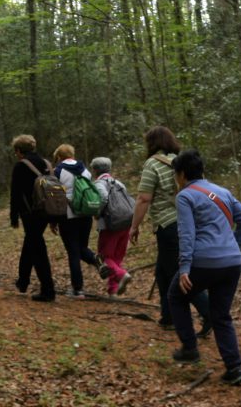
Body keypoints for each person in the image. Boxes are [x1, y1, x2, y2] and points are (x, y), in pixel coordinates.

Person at [167, 150, 241, 386]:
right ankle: (234, 368)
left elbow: (187, 233)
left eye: (176, 174)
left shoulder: (185, 196)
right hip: (232, 262)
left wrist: (184, 267)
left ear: (182, 174)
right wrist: (237, 243)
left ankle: (190, 349)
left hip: (203, 261)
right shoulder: (222, 192)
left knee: (176, 295)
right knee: (221, 315)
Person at [128, 126, 212, 333]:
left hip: (168, 225)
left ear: (151, 143)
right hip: (189, 222)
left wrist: (134, 226)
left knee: (178, 273)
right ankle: (168, 316)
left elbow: (144, 198)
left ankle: (209, 313)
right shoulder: (183, 161)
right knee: (163, 272)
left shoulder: (152, 164)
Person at [10, 134, 56, 302]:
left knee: (37, 249)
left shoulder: (21, 166)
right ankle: (23, 281)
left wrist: (13, 216)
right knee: (31, 243)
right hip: (47, 212)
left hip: (30, 213)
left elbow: (15, 193)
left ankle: (48, 290)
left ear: (19, 151)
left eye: (15, 151)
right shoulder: (47, 163)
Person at [53, 144, 103, 298]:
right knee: (81, 247)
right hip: (85, 215)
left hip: (67, 217)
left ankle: (78, 289)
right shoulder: (85, 170)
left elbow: (55, 197)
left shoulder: (58, 171)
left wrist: (53, 220)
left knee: (73, 252)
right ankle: (97, 260)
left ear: (59, 157)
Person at [91, 157, 133, 297]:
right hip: (125, 223)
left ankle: (122, 275)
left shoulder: (98, 184)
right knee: (116, 258)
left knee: (104, 256)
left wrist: (97, 213)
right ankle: (113, 291)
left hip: (109, 225)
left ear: (95, 170)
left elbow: (103, 197)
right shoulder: (119, 183)